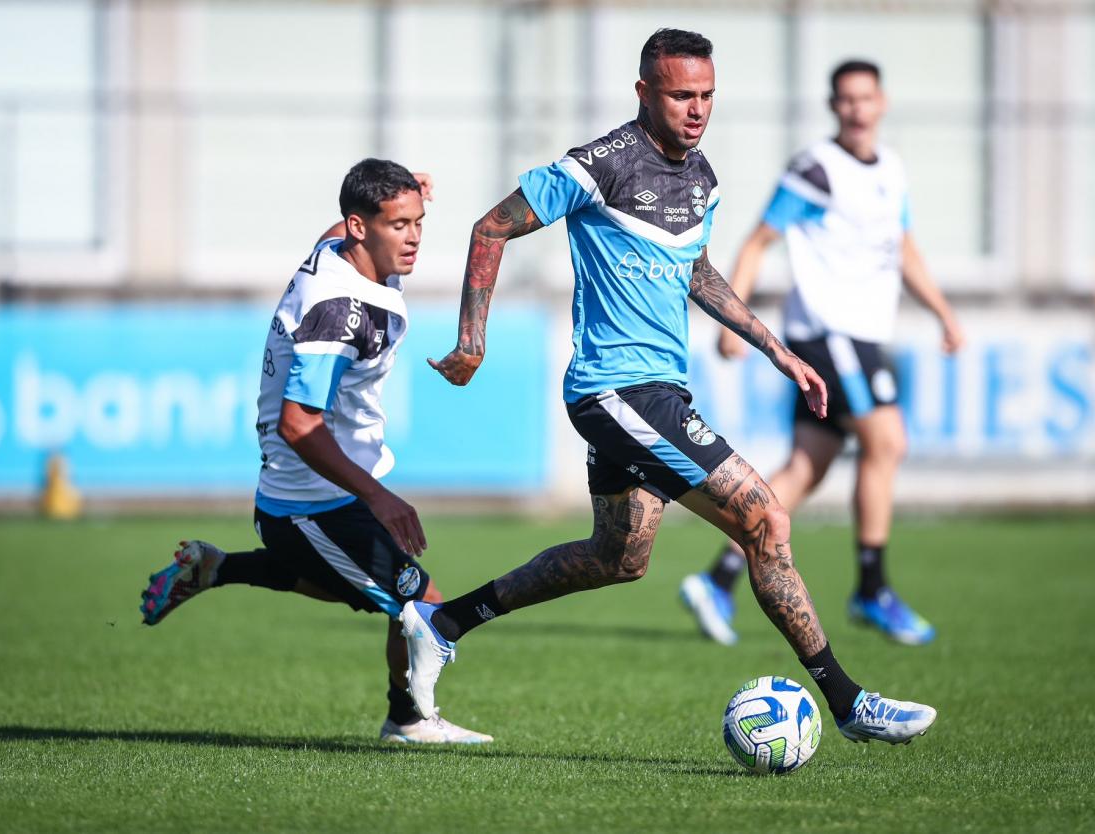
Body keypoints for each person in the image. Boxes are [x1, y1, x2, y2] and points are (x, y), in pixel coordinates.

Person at [401, 30, 936, 744]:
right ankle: (848, 703)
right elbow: (491, 228)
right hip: (616, 392)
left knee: (617, 557)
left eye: (708, 95)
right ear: (644, 92)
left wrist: (775, 349)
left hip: (659, 394)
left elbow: (697, 272)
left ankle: (442, 622)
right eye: (682, 94)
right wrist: (472, 342)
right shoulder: (601, 165)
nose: (697, 109)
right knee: (766, 521)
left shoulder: (701, 175)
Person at [137, 159, 492, 745]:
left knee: (340, 586)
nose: (414, 238)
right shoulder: (338, 311)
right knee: (422, 605)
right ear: (359, 227)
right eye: (398, 225)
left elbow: (346, 224)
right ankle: (406, 720)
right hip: (311, 505)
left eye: (419, 222)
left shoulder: (338, 248)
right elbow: (298, 423)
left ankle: (219, 568)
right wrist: (379, 495)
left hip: (313, 501)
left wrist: (404, 198)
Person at [679, 59, 965, 648]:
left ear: (881, 102)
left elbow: (903, 246)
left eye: (866, 98)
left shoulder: (891, 168)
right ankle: (872, 588)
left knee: (808, 467)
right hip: (831, 334)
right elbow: (759, 239)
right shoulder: (817, 169)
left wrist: (942, 309)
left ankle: (719, 580)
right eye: (845, 100)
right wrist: (732, 324)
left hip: (862, 334)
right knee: (888, 442)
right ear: (833, 107)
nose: (857, 109)